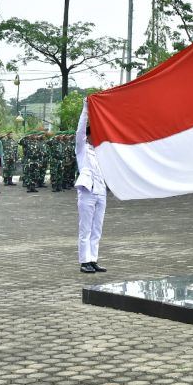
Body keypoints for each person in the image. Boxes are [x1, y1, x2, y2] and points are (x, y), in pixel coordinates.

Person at [75, 102, 108, 273]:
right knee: (85, 228)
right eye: (94, 135)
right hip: (87, 191)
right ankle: (84, 261)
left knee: (97, 228)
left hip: (101, 191)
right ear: (88, 136)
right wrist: (86, 110)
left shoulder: (101, 152)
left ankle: (93, 259)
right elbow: (79, 132)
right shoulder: (82, 149)